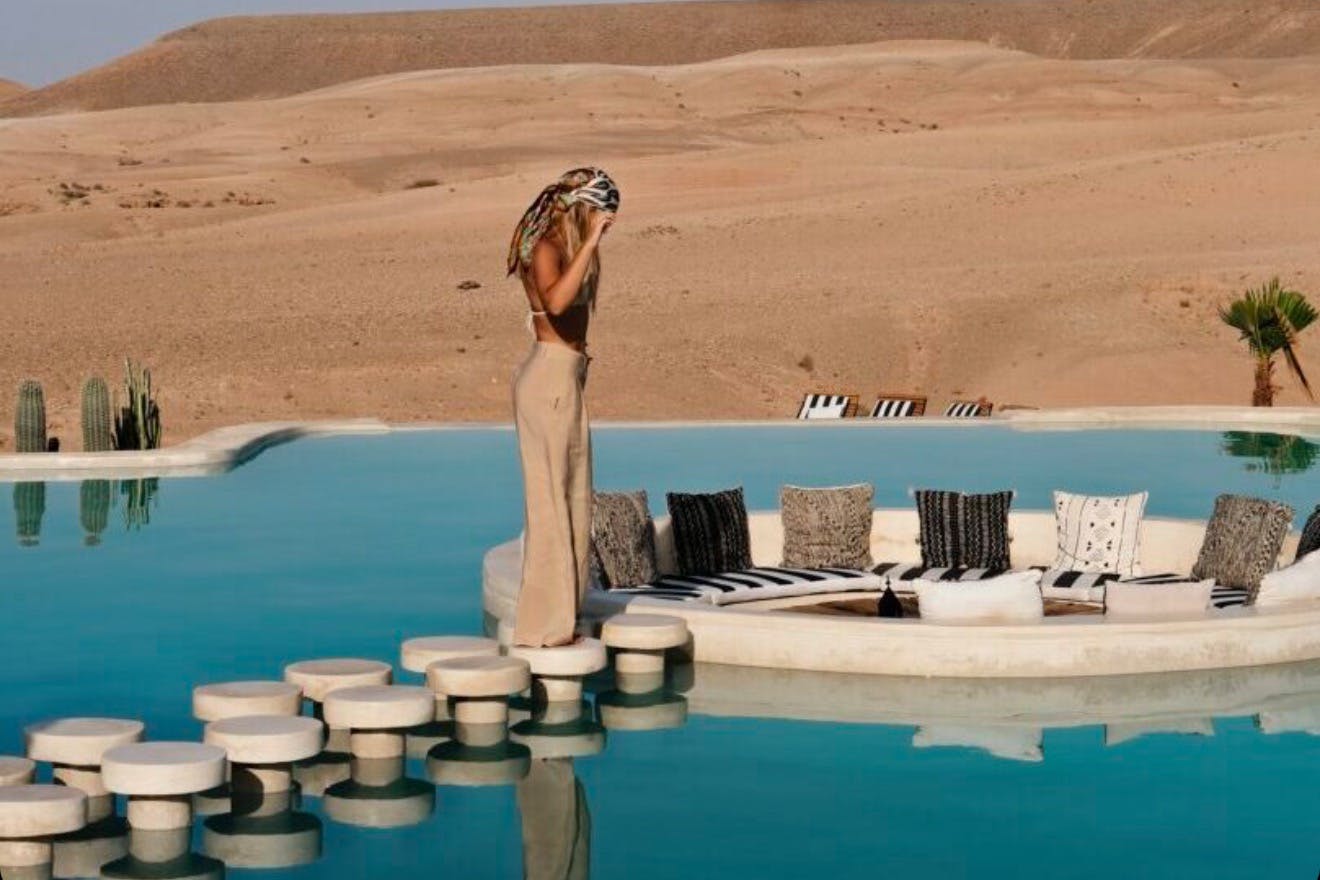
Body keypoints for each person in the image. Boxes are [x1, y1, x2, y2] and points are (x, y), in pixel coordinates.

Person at [505, 167, 619, 647]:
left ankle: (560, 619)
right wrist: (590, 241)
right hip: (549, 380)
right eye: (599, 214)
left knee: (572, 499)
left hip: (562, 379)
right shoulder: (550, 247)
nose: (603, 224)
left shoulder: (557, 245)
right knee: (552, 503)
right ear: (582, 208)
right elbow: (554, 303)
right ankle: (545, 627)